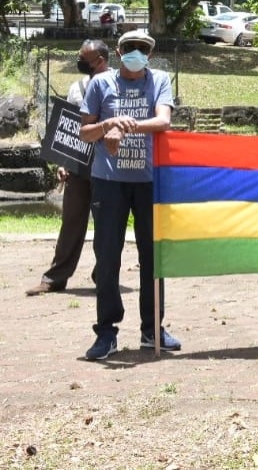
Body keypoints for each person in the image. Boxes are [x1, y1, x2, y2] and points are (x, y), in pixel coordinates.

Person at [78, 30, 178, 360]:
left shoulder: (159, 80)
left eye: (143, 49)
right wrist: (108, 126)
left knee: (153, 256)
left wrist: (123, 125)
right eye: (131, 48)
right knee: (107, 256)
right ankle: (106, 332)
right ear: (119, 53)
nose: (137, 53)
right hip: (108, 182)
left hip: (150, 182)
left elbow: (163, 121)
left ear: (150, 54)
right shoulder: (100, 83)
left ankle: (152, 329)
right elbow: (85, 131)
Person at [27, 40, 112, 296]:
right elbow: (70, 127)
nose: (79, 62)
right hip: (79, 167)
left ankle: (104, 276)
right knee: (72, 220)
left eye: (84, 58)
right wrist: (63, 162)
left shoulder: (117, 85)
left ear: (100, 60)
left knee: (107, 224)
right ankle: (55, 278)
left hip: (109, 166)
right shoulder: (77, 88)